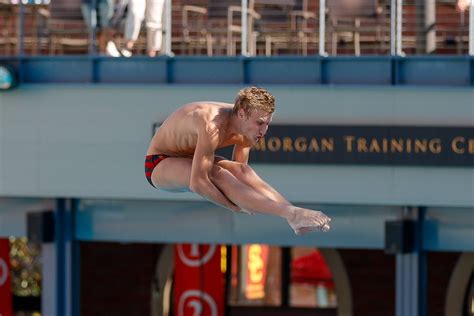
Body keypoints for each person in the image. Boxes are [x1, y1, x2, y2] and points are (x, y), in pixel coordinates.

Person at [145, 87, 331, 235]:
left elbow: (241, 174)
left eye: (267, 123)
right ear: (241, 114)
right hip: (159, 162)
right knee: (218, 174)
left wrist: (251, 199)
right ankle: (292, 214)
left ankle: (294, 216)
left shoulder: (250, 130)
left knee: (243, 171)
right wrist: (231, 206)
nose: (264, 130)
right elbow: (199, 183)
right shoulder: (212, 126)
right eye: (259, 123)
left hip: (190, 156)